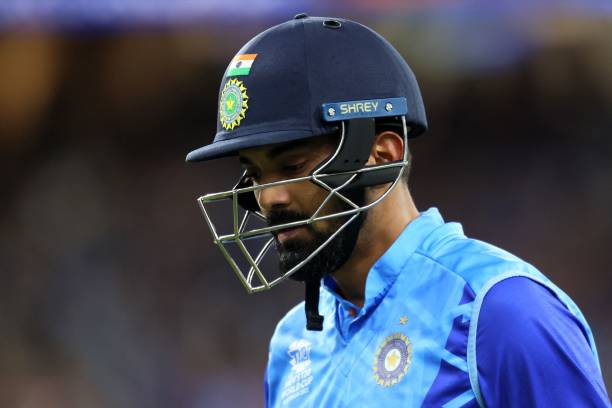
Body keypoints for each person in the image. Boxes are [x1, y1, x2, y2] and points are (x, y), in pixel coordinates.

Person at [186, 14, 611, 407]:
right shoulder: (291, 346)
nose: (269, 197)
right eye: (256, 175)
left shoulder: (501, 313)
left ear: (382, 153)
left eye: (291, 166)